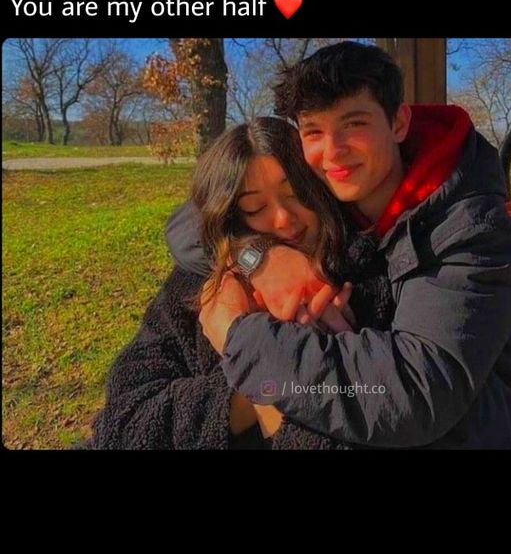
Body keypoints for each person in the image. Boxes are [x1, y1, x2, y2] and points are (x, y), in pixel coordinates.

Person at [173, 41, 511, 449]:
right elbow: (191, 222)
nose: (333, 151)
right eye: (314, 131)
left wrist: (240, 337)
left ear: (398, 122)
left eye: (354, 123)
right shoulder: (326, 195)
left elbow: (414, 393)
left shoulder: (469, 225)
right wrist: (261, 258)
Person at [88, 116, 393, 450]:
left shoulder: (364, 279)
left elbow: (382, 409)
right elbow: (124, 425)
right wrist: (259, 371)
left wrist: (266, 364)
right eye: (255, 207)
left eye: (296, 195)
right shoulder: (200, 285)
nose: (283, 219)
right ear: (232, 215)